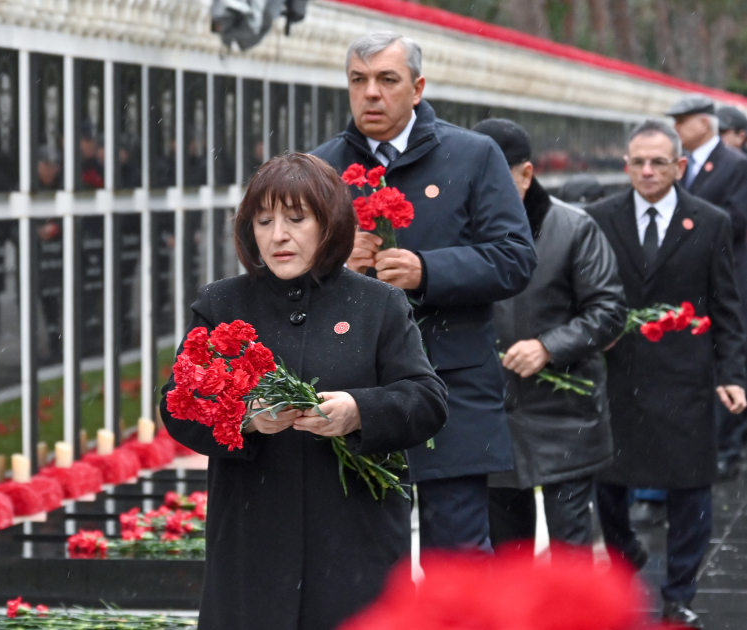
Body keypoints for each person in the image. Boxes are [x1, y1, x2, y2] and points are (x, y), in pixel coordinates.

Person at [161, 153, 448, 630]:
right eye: (264, 221)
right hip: (253, 543)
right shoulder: (222, 303)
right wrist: (245, 415)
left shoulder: (378, 303)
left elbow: (427, 399)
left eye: (296, 219)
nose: (278, 235)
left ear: (330, 224)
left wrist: (358, 410)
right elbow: (178, 403)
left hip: (356, 542)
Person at [312, 31, 536, 551]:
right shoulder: (321, 169)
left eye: (387, 79)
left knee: (457, 556)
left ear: (417, 88)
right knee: (359, 557)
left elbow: (515, 258)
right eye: (358, 80)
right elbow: (283, 270)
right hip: (356, 387)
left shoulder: (473, 156)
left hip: (454, 383)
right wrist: (333, 260)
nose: (371, 93)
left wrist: (427, 270)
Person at [586, 120, 747, 628]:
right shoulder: (600, 218)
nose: (648, 171)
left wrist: (732, 373)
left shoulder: (711, 221)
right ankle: (625, 555)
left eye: (658, 162)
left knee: (690, 488)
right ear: (626, 166)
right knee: (609, 484)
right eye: (638, 162)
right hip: (618, 373)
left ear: (679, 166)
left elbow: (726, 307)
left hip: (685, 376)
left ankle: (679, 593)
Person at [471, 119, 627, 554]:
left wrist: (548, 347)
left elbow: (609, 311)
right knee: (508, 556)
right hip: (490, 416)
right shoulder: (459, 231)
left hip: (564, 416)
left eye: (494, 177)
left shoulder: (573, 228)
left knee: (569, 551)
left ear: (526, 174)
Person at [668, 95, 747, 482]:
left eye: (682, 121)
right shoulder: (679, 165)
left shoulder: (736, 165)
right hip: (687, 279)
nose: (676, 129)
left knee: (728, 360)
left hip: (727, 276)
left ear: (704, 123)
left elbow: (737, 219)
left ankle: (727, 448)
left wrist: (687, 223)